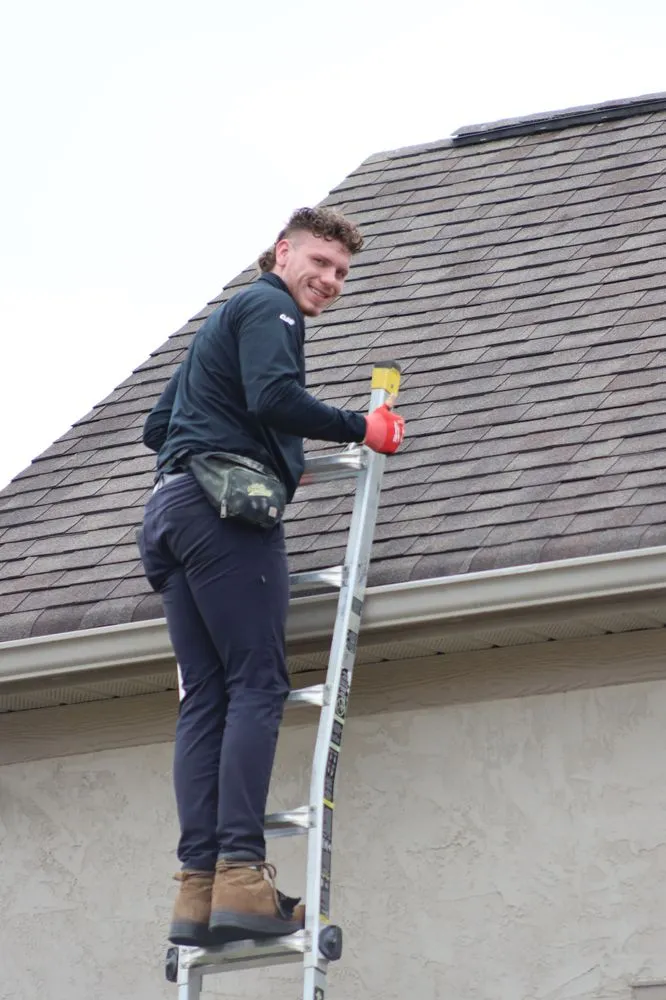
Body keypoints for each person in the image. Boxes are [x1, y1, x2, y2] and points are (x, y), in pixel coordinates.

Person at [138, 206, 405, 949]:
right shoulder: (271, 306)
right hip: (221, 520)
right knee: (258, 685)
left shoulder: (224, 323)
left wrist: (274, 455)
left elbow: (158, 428)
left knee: (208, 697)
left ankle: (198, 892)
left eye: (341, 273)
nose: (329, 281)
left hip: (170, 514)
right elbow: (272, 398)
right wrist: (363, 427)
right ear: (282, 253)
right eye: (319, 263)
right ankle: (243, 877)